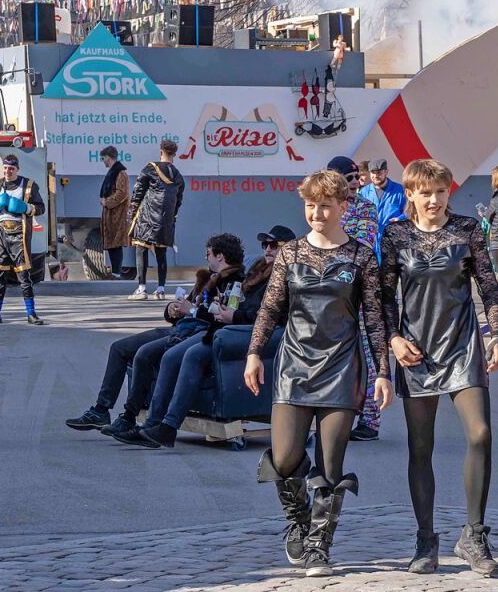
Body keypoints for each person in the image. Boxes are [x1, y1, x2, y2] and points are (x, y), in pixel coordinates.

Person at [245, 169, 392, 577]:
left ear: (343, 207)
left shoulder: (362, 256)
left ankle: (318, 547)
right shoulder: (290, 254)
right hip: (293, 365)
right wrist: (254, 352)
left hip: (343, 368)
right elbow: (270, 309)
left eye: (325, 205)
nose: (317, 213)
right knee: (286, 455)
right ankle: (299, 521)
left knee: (330, 466)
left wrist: (383, 372)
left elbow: (375, 320)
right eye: (310, 205)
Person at [380, 159, 498, 577]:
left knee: (481, 433)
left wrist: (497, 334)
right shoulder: (395, 233)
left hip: (463, 344)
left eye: (441, 191)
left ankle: (474, 535)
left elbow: (488, 284)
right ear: (410, 194)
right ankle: (425, 538)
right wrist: (394, 339)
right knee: (420, 447)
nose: (434, 200)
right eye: (425, 192)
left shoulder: (468, 230)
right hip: (416, 350)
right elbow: (383, 296)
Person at [119, 225, 296, 449]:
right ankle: (153, 425)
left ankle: (168, 427)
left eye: (274, 245)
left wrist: (234, 315)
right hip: (226, 328)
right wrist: (225, 309)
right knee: (170, 356)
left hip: (245, 333)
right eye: (265, 245)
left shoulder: (287, 277)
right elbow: (244, 304)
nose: (268, 250)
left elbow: (272, 316)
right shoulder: (258, 272)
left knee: (191, 354)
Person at [66, 233, 245, 436]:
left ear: (220, 256)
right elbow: (183, 308)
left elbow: (220, 317)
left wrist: (193, 311)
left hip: (194, 332)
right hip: (181, 327)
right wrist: (172, 310)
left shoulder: (235, 283)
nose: (207, 258)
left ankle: (130, 416)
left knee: (145, 353)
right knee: (119, 348)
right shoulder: (206, 278)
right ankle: (101, 410)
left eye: (209, 254)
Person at [327, 155, 382, 441]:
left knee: (366, 355)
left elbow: (361, 244)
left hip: (360, 291)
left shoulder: (365, 208)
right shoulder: (326, 207)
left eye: (355, 178)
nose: (354, 184)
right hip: (329, 292)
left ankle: (370, 420)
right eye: (347, 179)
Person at [0, 154, 46, 325]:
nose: (8, 171)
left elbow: (41, 208)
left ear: (17, 169)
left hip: (18, 235)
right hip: (1, 235)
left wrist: (25, 207)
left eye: (11, 169)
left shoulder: (28, 185)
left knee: (24, 276)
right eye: (5, 168)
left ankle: (31, 313)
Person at [127, 139, 184, 301]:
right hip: (165, 219)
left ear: (161, 152)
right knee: (161, 253)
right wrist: (172, 217)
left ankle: (141, 288)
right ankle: (160, 289)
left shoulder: (150, 168)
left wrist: (132, 211)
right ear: (174, 154)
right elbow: (178, 201)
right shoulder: (178, 176)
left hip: (147, 216)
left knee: (141, 249)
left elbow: (138, 191)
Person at [99, 146, 130, 278]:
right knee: (112, 243)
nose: (103, 161)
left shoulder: (120, 173)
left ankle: (117, 272)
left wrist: (108, 202)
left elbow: (122, 193)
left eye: (104, 158)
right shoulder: (113, 172)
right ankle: (115, 272)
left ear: (108, 157)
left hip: (117, 214)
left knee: (116, 243)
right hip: (111, 214)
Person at [358, 158, 406, 243]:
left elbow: (410, 211)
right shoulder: (363, 193)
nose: (376, 176)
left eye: (379, 172)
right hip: (370, 240)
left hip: (393, 239)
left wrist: (400, 218)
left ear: (386, 172)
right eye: (373, 172)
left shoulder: (400, 191)